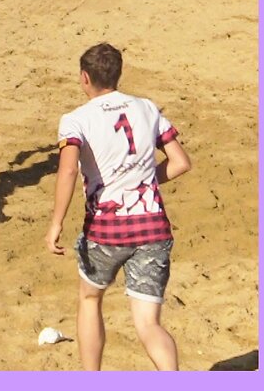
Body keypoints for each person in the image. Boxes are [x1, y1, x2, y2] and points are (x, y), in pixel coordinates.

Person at [45, 43, 191, 371]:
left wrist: (56, 222)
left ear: (84, 78)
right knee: (149, 325)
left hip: (106, 231)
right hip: (153, 229)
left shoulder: (75, 119)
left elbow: (68, 170)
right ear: (118, 73)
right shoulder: (147, 108)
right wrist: (142, 182)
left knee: (90, 298)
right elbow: (180, 162)